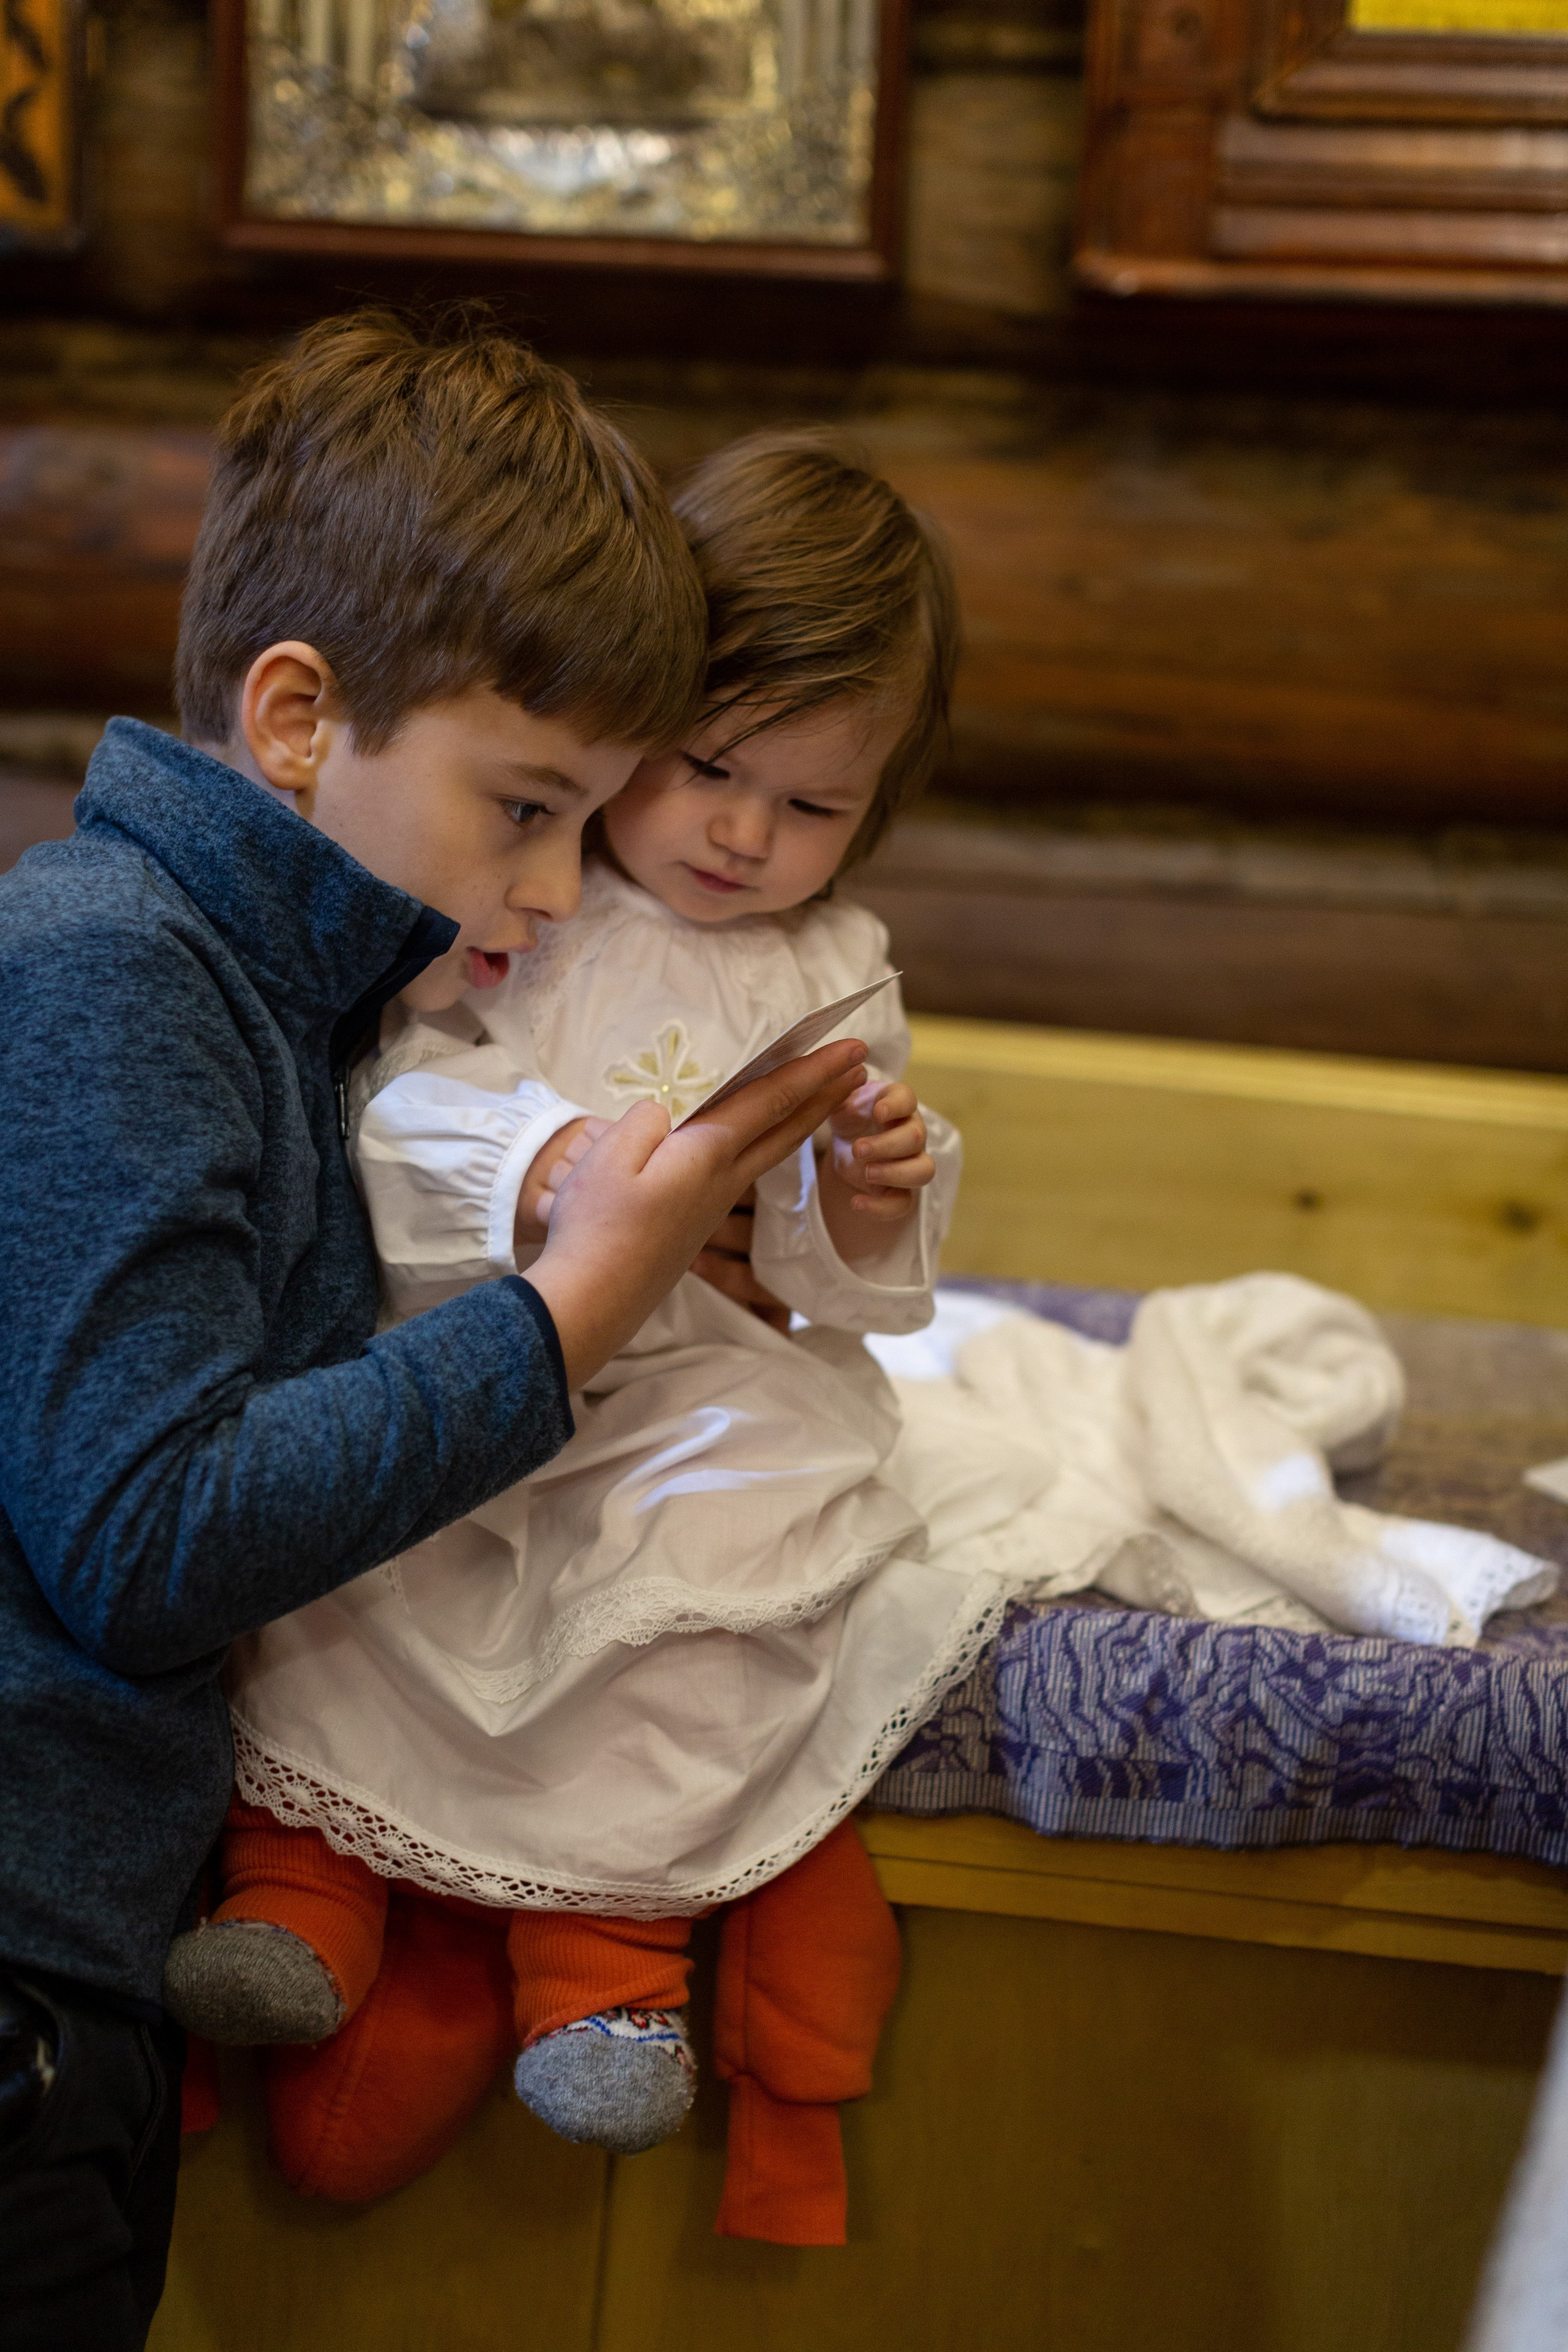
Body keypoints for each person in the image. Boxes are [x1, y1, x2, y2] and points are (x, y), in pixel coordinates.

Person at [0, 325, 869, 2351]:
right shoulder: (115, 969)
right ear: (299, 717)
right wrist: (570, 1317)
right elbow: (144, 1537)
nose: (557, 890)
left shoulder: (281, 998)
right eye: (527, 808)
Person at [161, 434, 1004, 2246]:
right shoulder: (523, 891)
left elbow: (826, 1286)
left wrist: (869, 1196)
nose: (743, 837)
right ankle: (300, 1893)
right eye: (709, 768)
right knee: (356, 1563)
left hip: (695, 1383)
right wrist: (538, 1164)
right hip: (480, 1329)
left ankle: (605, 1960)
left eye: (812, 805)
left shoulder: (835, 968)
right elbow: (384, 1101)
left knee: (721, 1579)